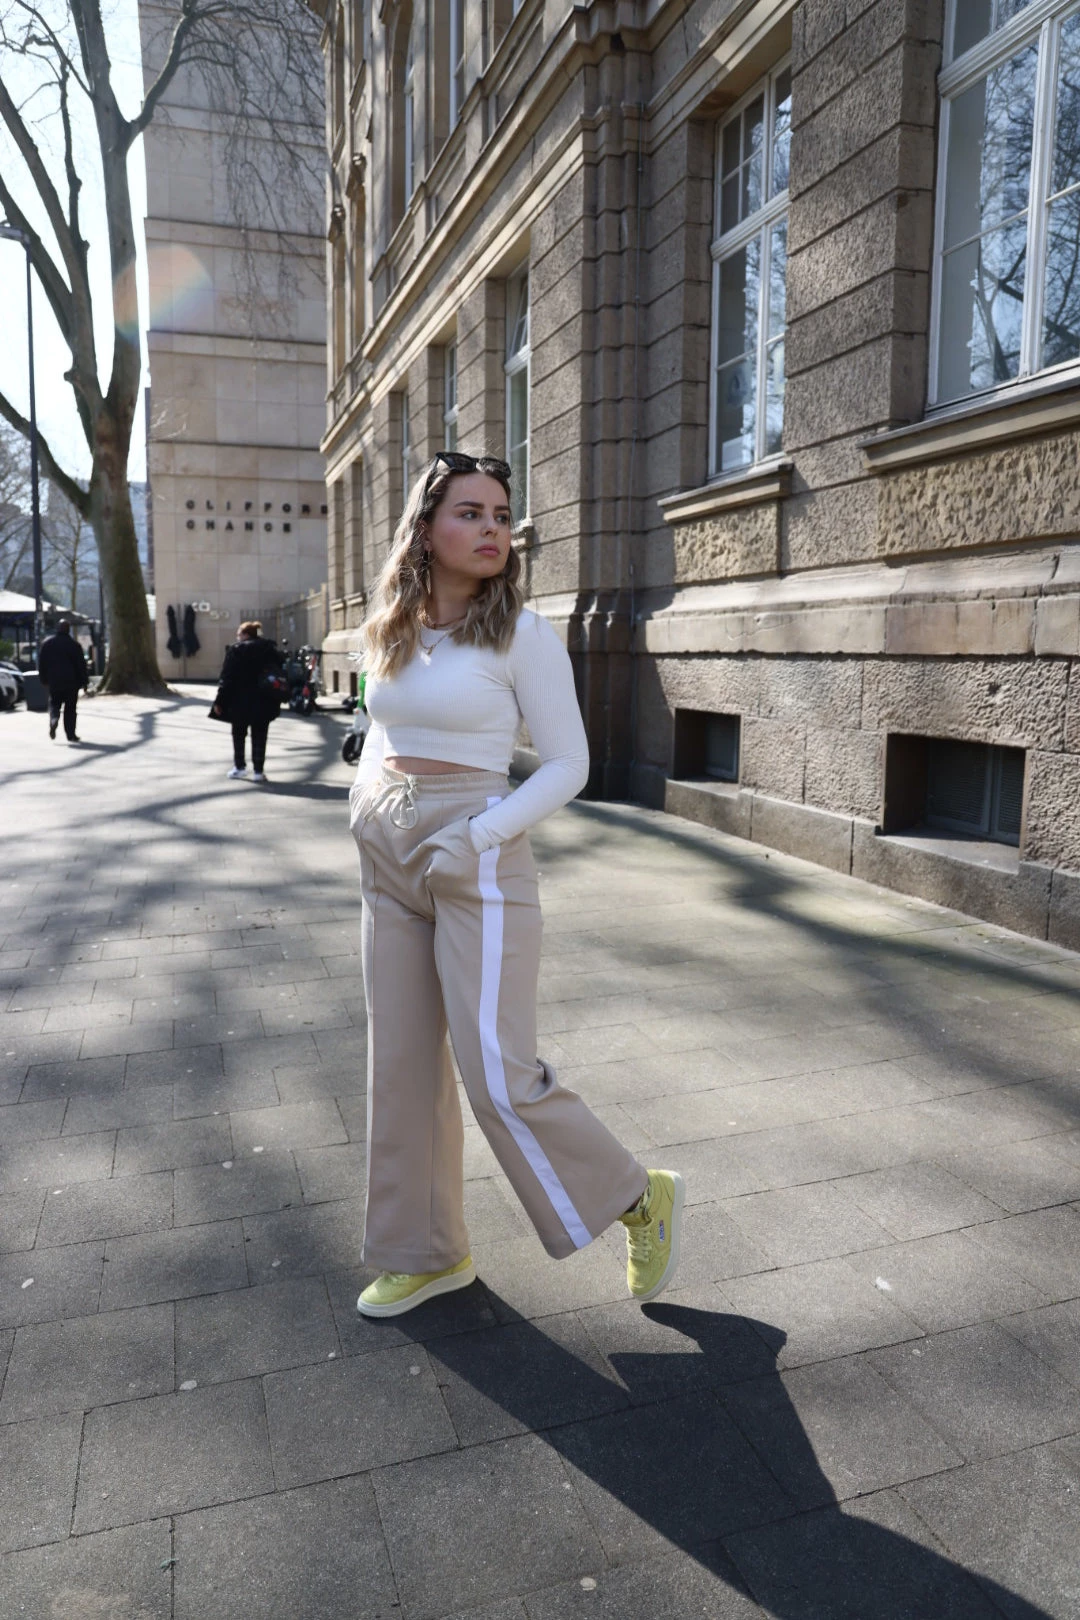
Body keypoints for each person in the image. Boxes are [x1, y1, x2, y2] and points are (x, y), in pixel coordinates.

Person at [349, 449, 684, 1318]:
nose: (493, 528)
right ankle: (426, 1255)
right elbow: (381, 726)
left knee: (498, 1072)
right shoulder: (391, 627)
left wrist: (476, 835)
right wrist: (366, 803)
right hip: (389, 854)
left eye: (501, 515)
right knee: (400, 1065)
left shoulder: (522, 634)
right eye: (470, 513)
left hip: (478, 855)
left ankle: (637, 1197)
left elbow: (570, 764)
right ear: (425, 528)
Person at [213, 621, 285, 782]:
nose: (237, 637)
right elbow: (280, 671)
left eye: (239, 634)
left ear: (245, 635)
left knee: (238, 735)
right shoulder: (269, 649)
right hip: (265, 699)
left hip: (239, 701)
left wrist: (219, 701)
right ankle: (259, 771)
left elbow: (227, 678)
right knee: (260, 736)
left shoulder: (236, 650)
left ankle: (240, 767)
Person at [38, 620, 89, 743]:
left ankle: (54, 718)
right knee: (70, 709)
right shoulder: (75, 645)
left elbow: (42, 664)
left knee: (54, 704)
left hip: (54, 681)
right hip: (72, 682)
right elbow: (81, 665)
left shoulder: (47, 644)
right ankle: (71, 734)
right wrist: (84, 682)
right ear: (68, 629)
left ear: (58, 628)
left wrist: (43, 679)